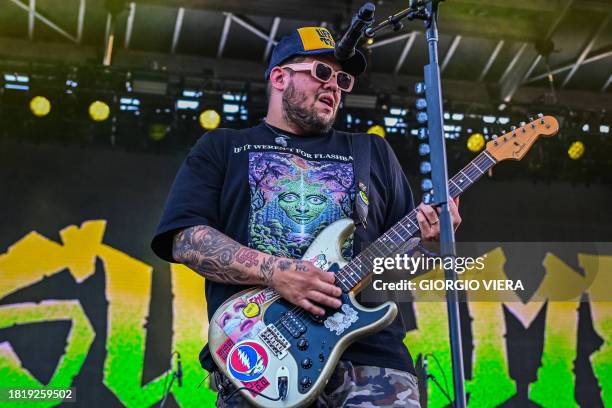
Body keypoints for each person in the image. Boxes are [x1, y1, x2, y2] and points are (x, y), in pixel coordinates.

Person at [151, 26, 461, 407]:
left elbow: (398, 264)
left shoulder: (371, 151)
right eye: (321, 73)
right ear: (279, 76)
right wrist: (275, 271)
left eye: (343, 79)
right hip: (263, 358)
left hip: (373, 367)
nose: (334, 86)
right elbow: (185, 239)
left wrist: (431, 246)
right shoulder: (222, 147)